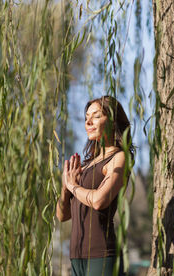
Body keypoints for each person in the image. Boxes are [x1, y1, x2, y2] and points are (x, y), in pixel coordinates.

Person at [56, 95, 134, 276]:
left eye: (96, 116)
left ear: (113, 120)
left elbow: (99, 200)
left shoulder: (118, 158)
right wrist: (65, 188)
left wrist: (73, 186)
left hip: (101, 256)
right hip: (76, 257)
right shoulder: (85, 165)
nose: (88, 122)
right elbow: (62, 215)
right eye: (86, 118)